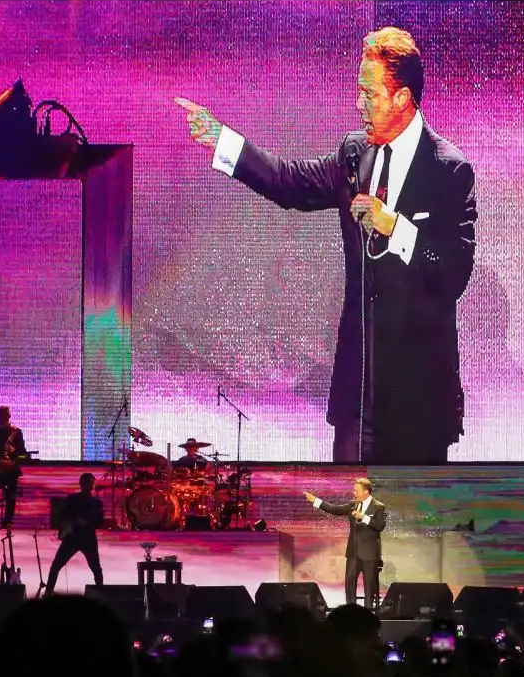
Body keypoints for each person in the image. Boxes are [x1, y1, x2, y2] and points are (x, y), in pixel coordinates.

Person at [177, 26, 477, 464]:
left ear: (402, 98)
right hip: (358, 398)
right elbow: (289, 182)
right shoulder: (356, 153)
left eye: (368, 95)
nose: (359, 105)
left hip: (419, 403)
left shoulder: (449, 169)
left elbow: (453, 272)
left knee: (412, 530)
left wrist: (395, 226)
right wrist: (223, 139)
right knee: (355, 528)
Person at [303, 476, 387, 608]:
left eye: (356, 491)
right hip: (353, 552)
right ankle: (351, 611)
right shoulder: (353, 504)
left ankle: (368, 612)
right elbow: (335, 509)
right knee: (349, 582)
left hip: (369, 554)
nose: (354, 493)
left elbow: (380, 526)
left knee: (369, 584)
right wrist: (316, 501)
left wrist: (363, 517)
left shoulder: (379, 507)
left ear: (366, 492)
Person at [43, 473, 106, 594]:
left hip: (86, 539)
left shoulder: (96, 502)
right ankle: (48, 592)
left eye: (92, 482)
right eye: (89, 483)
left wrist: (87, 521)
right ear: (82, 484)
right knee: (56, 566)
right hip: (73, 538)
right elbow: (63, 515)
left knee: (96, 568)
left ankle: (101, 593)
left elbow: (99, 523)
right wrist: (75, 521)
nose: (91, 485)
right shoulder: (73, 499)